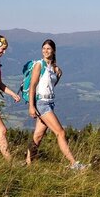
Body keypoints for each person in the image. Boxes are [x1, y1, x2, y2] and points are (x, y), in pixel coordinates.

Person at [26, 39, 86, 170]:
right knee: (61, 133)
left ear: (53, 51)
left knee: (38, 136)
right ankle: (74, 164)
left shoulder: (55, 69)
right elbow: (33, 85)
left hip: (50, 102)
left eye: (48, 49)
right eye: (43, 48)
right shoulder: (39, 65)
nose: (45, 51)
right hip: (41, 103)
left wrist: (58, 73)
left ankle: (28, 164)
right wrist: (31, 106)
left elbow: (51, 86)